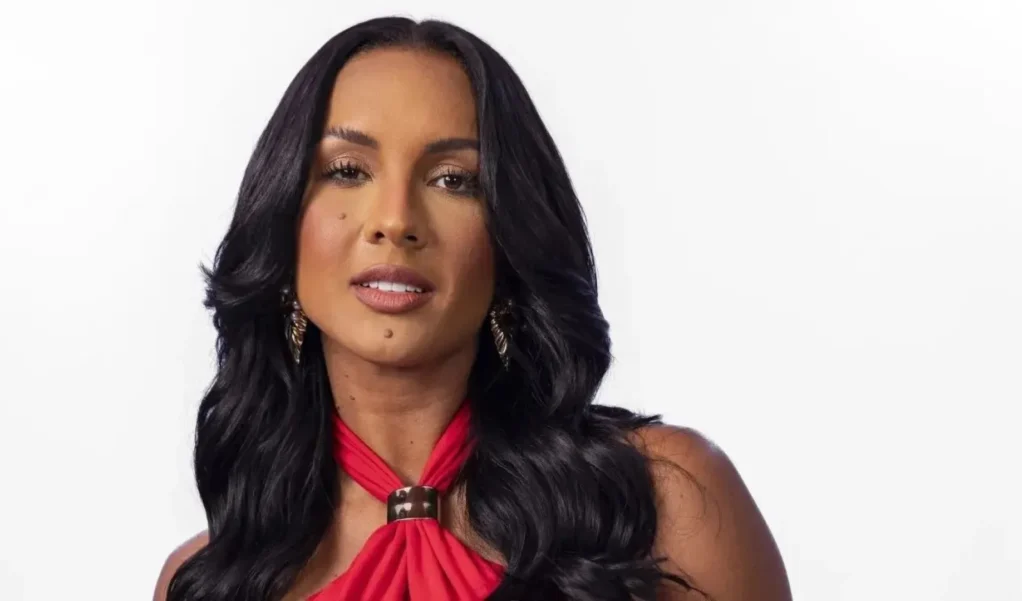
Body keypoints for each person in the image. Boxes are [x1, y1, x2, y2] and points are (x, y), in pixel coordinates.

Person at [153, 16, 791, 601]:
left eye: (453, 180)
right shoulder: (206, 582)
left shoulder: (669, 502)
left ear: (509, 241)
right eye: (347, 171)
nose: (395, 219)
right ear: (283, 223)